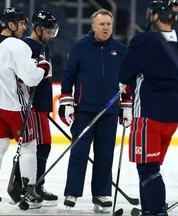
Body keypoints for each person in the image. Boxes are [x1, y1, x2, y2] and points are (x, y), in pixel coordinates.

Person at [118, 0, 178, 215]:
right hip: (172, 116)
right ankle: (149, 210)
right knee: (149, 165)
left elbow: (124, 73)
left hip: (148, 114)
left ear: (156, 15)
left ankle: (157, 211)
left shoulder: (144, 40)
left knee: (147, 168)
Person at [0, 7, 51, 209]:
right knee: (29, 147)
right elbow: (31, 78)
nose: (24, 27)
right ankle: (28, 191)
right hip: (15, 106)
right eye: (21, 24)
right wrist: (44, 67)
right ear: (10, 25)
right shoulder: (19, 47)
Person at [58, 8, 128, 213]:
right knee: (79, 153)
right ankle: (72, 192)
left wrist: (126, 106)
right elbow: (68, 76)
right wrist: (67, 101)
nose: (106, 27)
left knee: (105, 155)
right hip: (85, 110)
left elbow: (128, 81)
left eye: (109, 24)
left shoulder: (121, 49)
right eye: (102, 24)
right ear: (93, 26)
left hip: (110, 111)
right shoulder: (80, 46)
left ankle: (101, 194)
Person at [13, 9, 59, 207]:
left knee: (42, 146)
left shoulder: (42, 45)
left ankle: (34, 184)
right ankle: (27, 185)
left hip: (42, 104)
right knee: (38, 146)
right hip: (32, 105)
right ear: (38, 28)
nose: (50, 33)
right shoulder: (26, 46)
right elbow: (24, 75)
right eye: (47, 30)